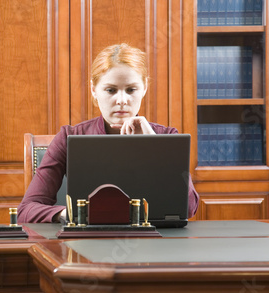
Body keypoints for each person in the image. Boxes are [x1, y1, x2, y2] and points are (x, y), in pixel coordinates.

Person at [18, 43, 199, 225]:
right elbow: (26, 210)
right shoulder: (69, 137)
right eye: (111, 90)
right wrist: (73, 214)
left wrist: (153, 145)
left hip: (154, 243)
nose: (121, 100)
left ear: (144, 88)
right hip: (87, 244)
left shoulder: (166, 137)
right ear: (93, 90)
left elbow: (189, 207)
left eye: (131, 90)